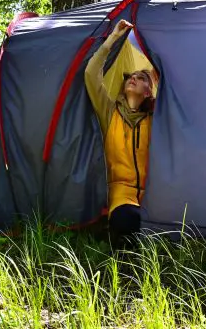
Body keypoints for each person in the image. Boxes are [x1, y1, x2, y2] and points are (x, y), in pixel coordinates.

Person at [85, 19, 155, 249]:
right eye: (130, 76)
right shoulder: (110, 112)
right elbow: (91, 74)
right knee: (129, 220)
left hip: (154, 195)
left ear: (149, 91)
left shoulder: (156, 120)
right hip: (121, 195)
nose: (132, 78)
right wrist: (112, 39)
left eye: (141, 78)